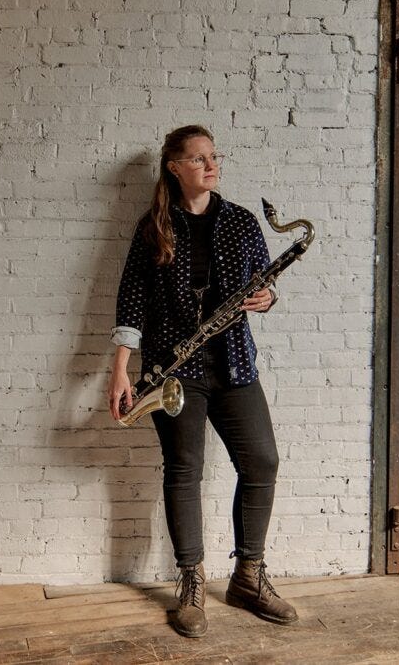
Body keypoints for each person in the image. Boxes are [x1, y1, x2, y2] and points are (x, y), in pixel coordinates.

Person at [108, 125, 298, 638]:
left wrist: (267, 299)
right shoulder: (154, 228)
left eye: (214, 157)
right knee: (184, 468)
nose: (211, 166)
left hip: (234, 363)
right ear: (174, 166)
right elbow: (131, 301)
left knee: (262, 460)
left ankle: (249, 576)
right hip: (176, 372)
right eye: (199, 159)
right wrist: (121, 370)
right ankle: (191, 580)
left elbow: (264, 286)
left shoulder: (240, 221)